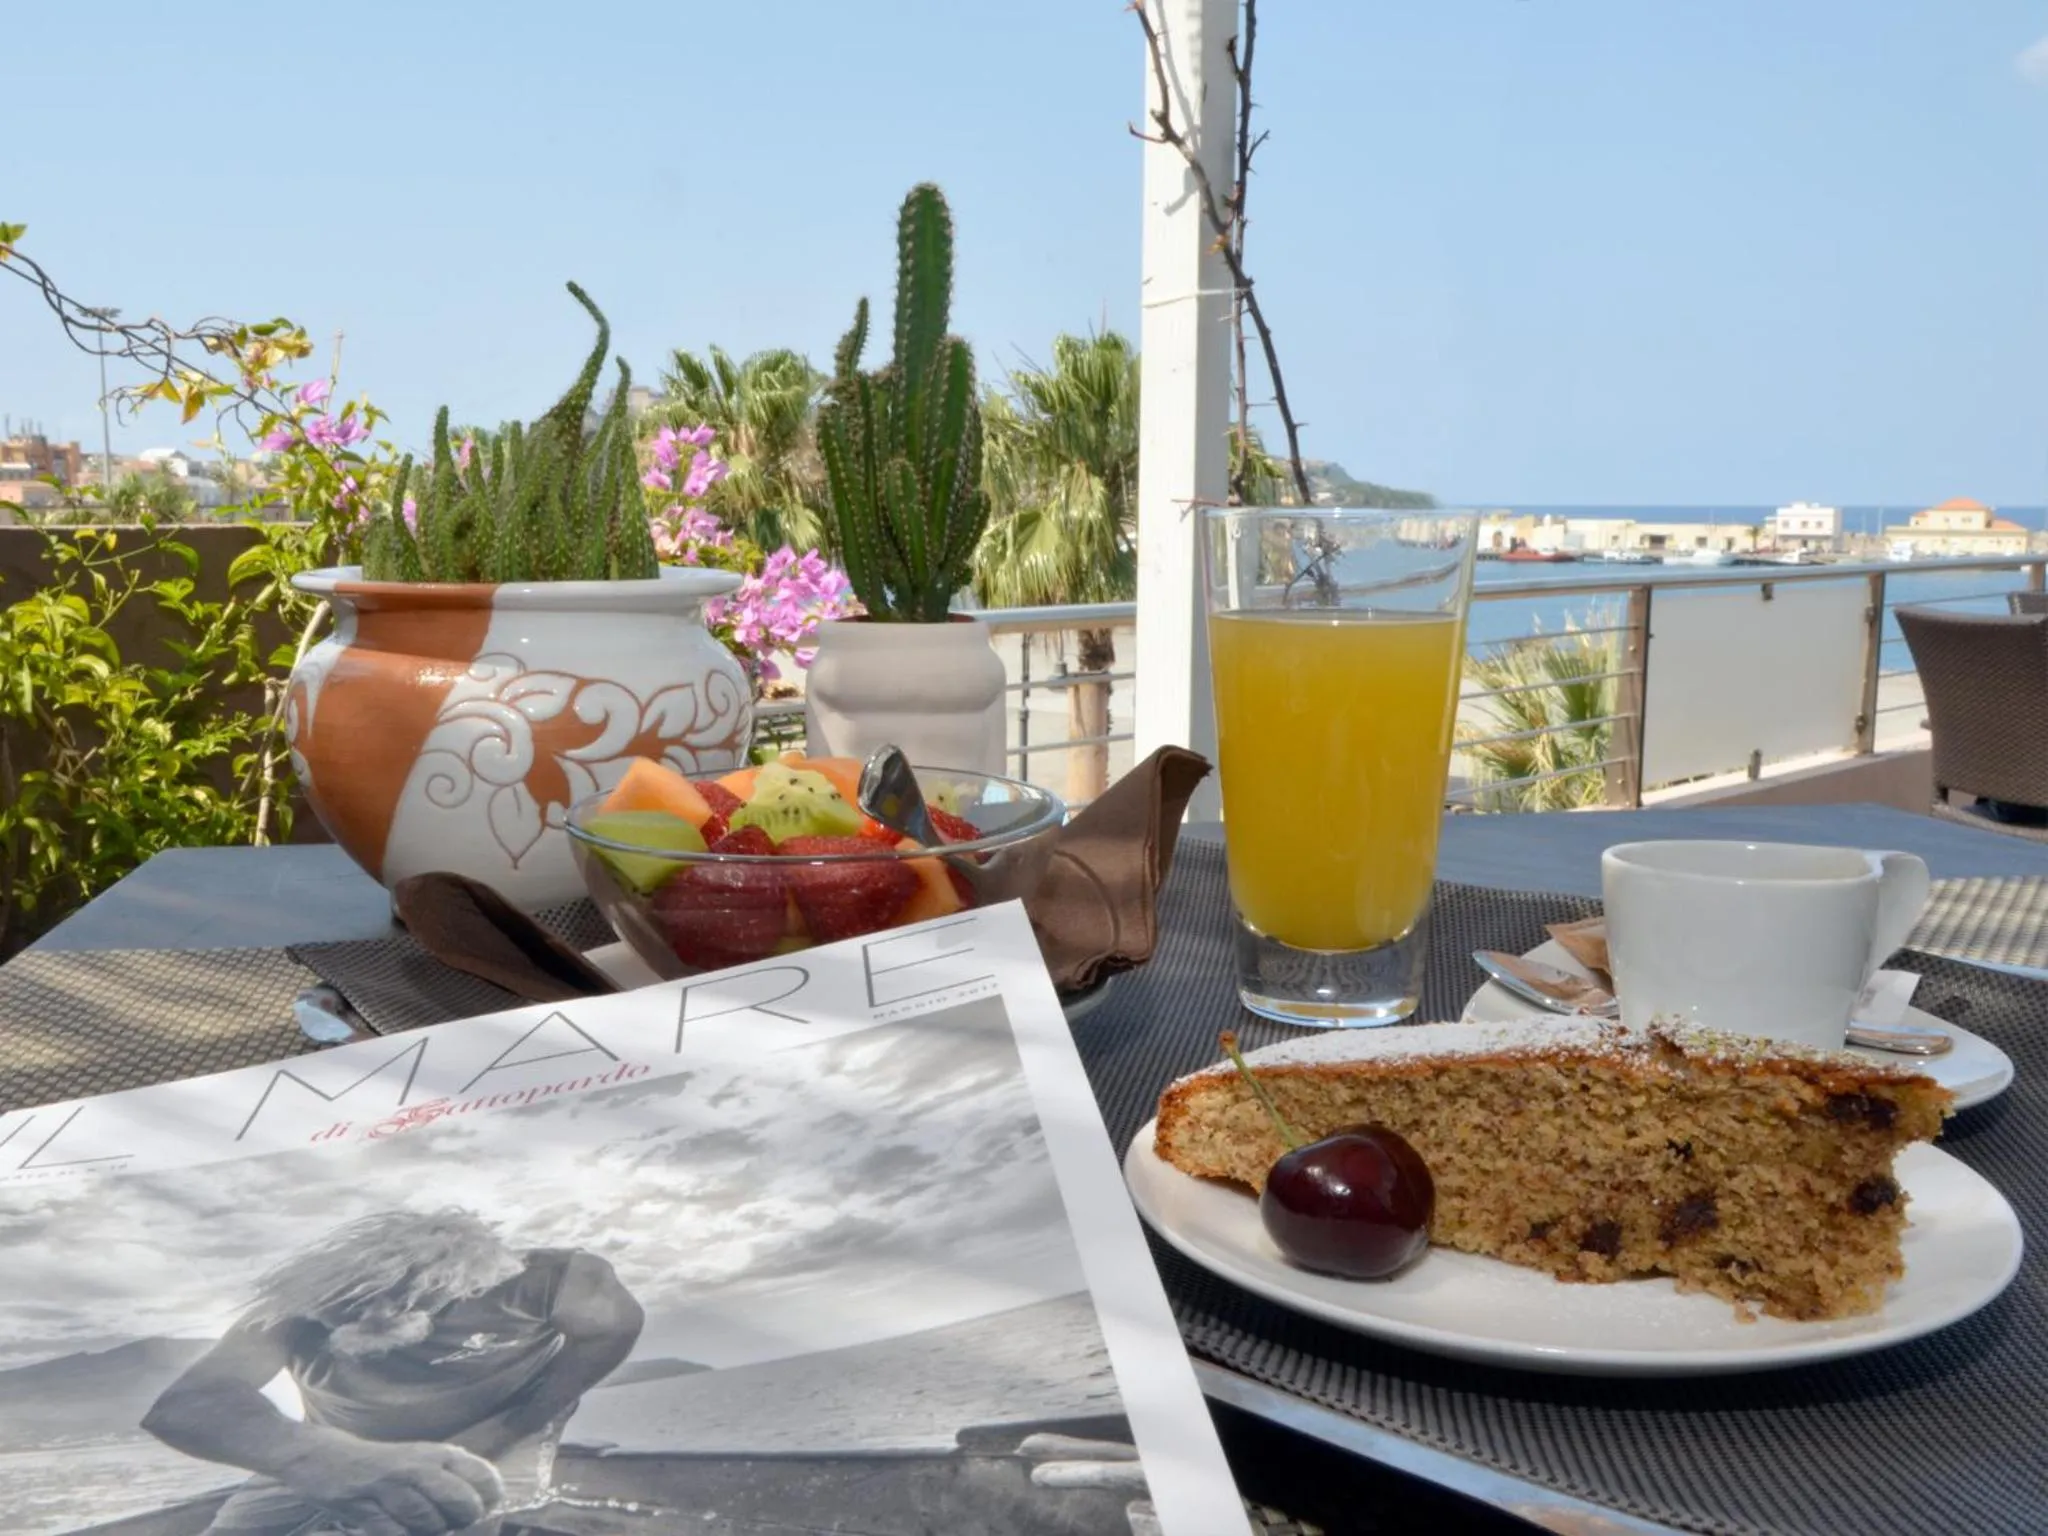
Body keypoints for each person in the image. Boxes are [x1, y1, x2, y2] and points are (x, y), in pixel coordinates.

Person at [141, 1208, 644, 1536]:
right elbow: (190, 1402)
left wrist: (515, 1425)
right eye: (343, 1309)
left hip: (500, 1430)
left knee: (459, 1520)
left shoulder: (554, 1281)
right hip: (339, 1447)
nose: (361, 1319)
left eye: (388, 1302)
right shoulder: (290, 1308)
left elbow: (613, 1332)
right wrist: (314, 1456)